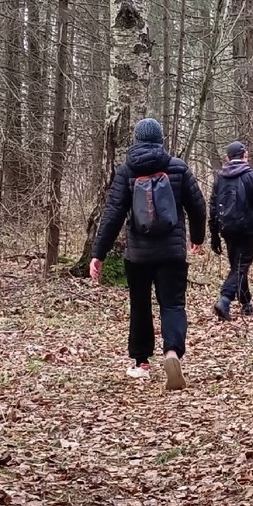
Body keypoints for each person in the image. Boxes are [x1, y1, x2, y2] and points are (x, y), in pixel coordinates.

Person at [90, 118, 206, 389]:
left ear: (136, 140)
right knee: (173, 304)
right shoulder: (177, 167)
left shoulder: (127, 171)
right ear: (160, 140)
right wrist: (198, 238)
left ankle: (141, 363)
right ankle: (172, 353)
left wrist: (99, 253)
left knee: (140, 305)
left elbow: (113, 214)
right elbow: (198, 206)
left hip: (138, 255)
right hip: (172, 252)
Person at [208, 140, 253, 321]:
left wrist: (214, 234)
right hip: (247, 228)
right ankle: (225, 299)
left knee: (237, 267)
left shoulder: (220, 178)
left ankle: (246, 303)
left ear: (228, 157)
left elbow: (213, 208)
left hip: (227, 228)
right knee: (241, 266)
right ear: (245, 155)